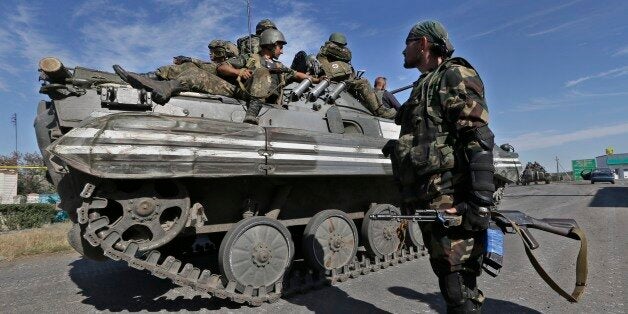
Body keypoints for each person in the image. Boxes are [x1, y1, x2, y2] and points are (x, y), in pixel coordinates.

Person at [385, 20, 495, 313]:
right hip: (432, 196)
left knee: (457, 282)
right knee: (448, 274)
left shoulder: (454, 74)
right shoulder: (426, 82)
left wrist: (481, 201)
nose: (402, 50)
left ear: (423, 44)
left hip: (451, 197)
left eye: (407, 43)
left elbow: (478, 137)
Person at [218, 28, 320, 125]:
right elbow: (222, 67)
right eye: (280, 47)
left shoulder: (279, 66)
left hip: (271, 102)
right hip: (248, 95)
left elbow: (296, 74)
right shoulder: (251, 58)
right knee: (262, 72)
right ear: (272, 44)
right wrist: (239, 72)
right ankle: (252, 113)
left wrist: (317, 80)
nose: (282, 51)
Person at [113, 40, 241, 104]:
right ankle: (148, 78)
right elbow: (212, 67)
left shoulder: (238, 62)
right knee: (188, 66)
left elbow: (217, 69)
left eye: (218, 52)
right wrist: (189, 60)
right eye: (212, 52)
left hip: (234, 89)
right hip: (221, 83)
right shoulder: (221, 64)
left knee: (195, 73)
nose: (213, 55)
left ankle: (167, 87)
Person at [316, 33, 397, 118]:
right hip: (334, 79)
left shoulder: (328, 51)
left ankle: (368, 109)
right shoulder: (329, 47)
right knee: (363, 83)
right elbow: (348, 55)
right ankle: (379, 111)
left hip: (334, 78)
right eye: (342, 46)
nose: (343, 48)